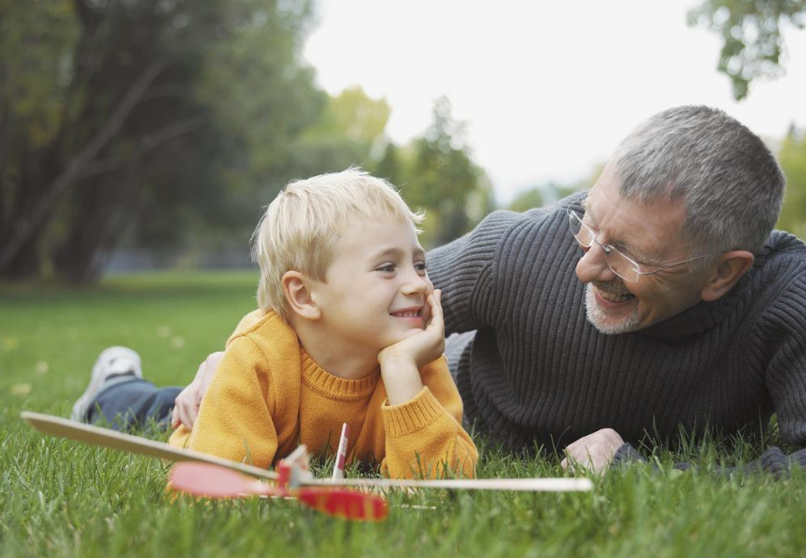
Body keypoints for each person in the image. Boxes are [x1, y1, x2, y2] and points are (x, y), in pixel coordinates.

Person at [176, 106, 806, 474]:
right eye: (589, 223)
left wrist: (637, 471)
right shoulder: (521, 248)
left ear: (724, 272)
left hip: (425, 426)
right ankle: (120, 388)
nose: (586, 266)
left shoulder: (788, 301)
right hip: (413, 396)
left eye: (627, 254)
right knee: (204, 408)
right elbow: (342, 298)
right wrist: (233, 357)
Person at [71, 168, 478, 480]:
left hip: (260, 418)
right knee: (156, 412)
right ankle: (114, 385)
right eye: (388, 267)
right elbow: (208, 488)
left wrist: (403, 374)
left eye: (420, 264)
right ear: (304, 295)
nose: (417, 283)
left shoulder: (416, 359)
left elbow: (447, 483)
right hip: (210, 420)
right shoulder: (260, 359)